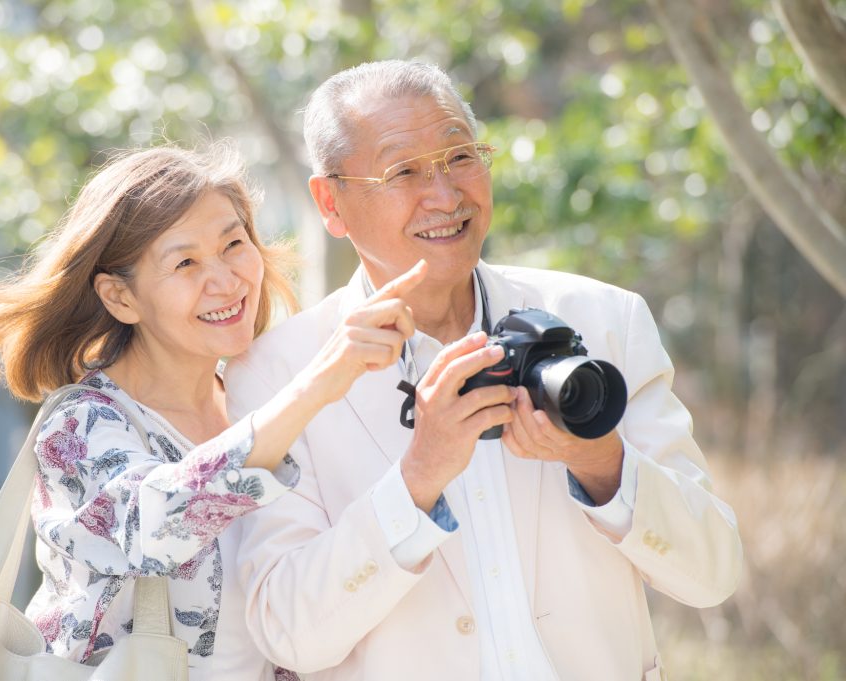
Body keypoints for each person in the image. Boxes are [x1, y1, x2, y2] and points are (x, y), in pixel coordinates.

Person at [223, 60, 743, 681]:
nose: (445, 196)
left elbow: (713, 574)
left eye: (460, 158)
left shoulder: (604, 318)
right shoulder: (276, 374)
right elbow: (292, 636)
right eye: (403, 171)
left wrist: (604, 464)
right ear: (331, 203)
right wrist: (418, 478)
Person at [0, 141, 426, 680]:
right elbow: (154, 526)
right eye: (185, 262)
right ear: (121, 298)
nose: (226, 280)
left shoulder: (255, 399)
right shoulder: (81, 427)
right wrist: (315, 384)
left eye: (234, 244)